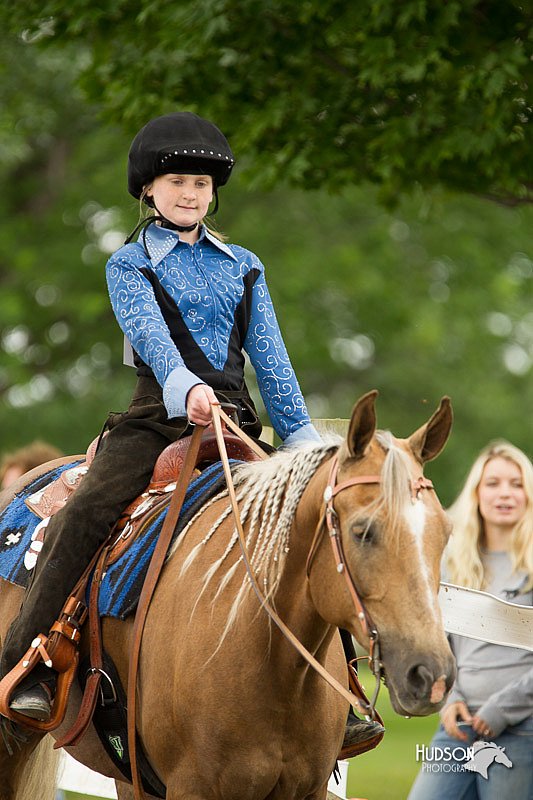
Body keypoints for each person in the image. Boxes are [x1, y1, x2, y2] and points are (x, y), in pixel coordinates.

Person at [0, 112, 377, 750]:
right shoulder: (129, 264)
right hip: (155, 419)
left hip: (238, 422)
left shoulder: (245, 266)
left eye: (200, 183)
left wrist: (305, 443)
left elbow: (273, 360)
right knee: (86, 511)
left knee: (315, 519)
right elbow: (150, 335)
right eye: (176, 180)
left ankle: (344, 694)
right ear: (148, 189)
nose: (189, 193)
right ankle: (29, 661)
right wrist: (187, 389)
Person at [408, 441, 533, 800]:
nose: (504, 493)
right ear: (476, 493)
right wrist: (450, 698)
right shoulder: (453, 562)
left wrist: (500, 710)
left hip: (521, 727)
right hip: (458, 725)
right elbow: (443, 642)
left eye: (517, 483)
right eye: (492, 483)